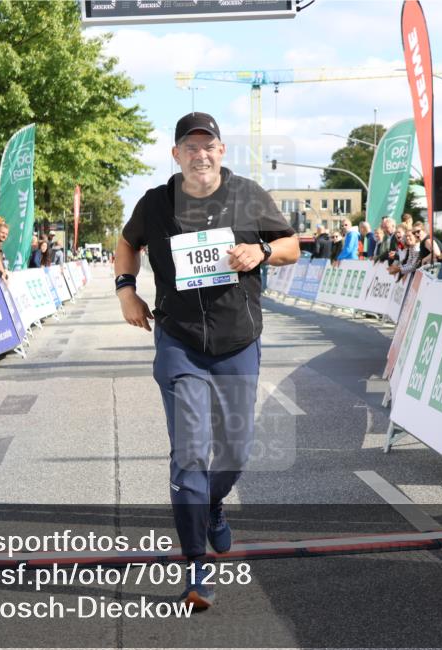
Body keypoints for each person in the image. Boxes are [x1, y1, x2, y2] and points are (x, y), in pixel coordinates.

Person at [114, 111, 299, 610]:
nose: (201, 154)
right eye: (190, 147)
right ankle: (196, 566)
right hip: (179, 342)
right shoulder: (155, 202)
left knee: (235, 453)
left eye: (209, 145)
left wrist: (261, 251)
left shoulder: (250, 195)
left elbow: (292, 246)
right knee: (191, 453)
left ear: (222, 152)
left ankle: (214, 504)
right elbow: (128, 244)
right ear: (176, 154)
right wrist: (126, 291)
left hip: (238, 341)